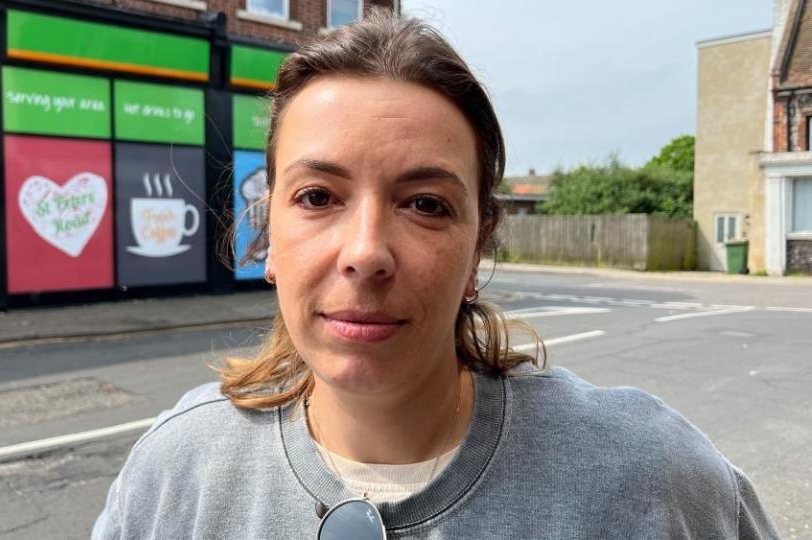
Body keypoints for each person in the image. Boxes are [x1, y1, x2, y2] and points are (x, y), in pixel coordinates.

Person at [93, 10, 778, 539]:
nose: (365, 252)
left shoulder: (647, 474)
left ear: (479, 245)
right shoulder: (176, 471)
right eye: (317, 197)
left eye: (425, 204)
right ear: (268, 232)